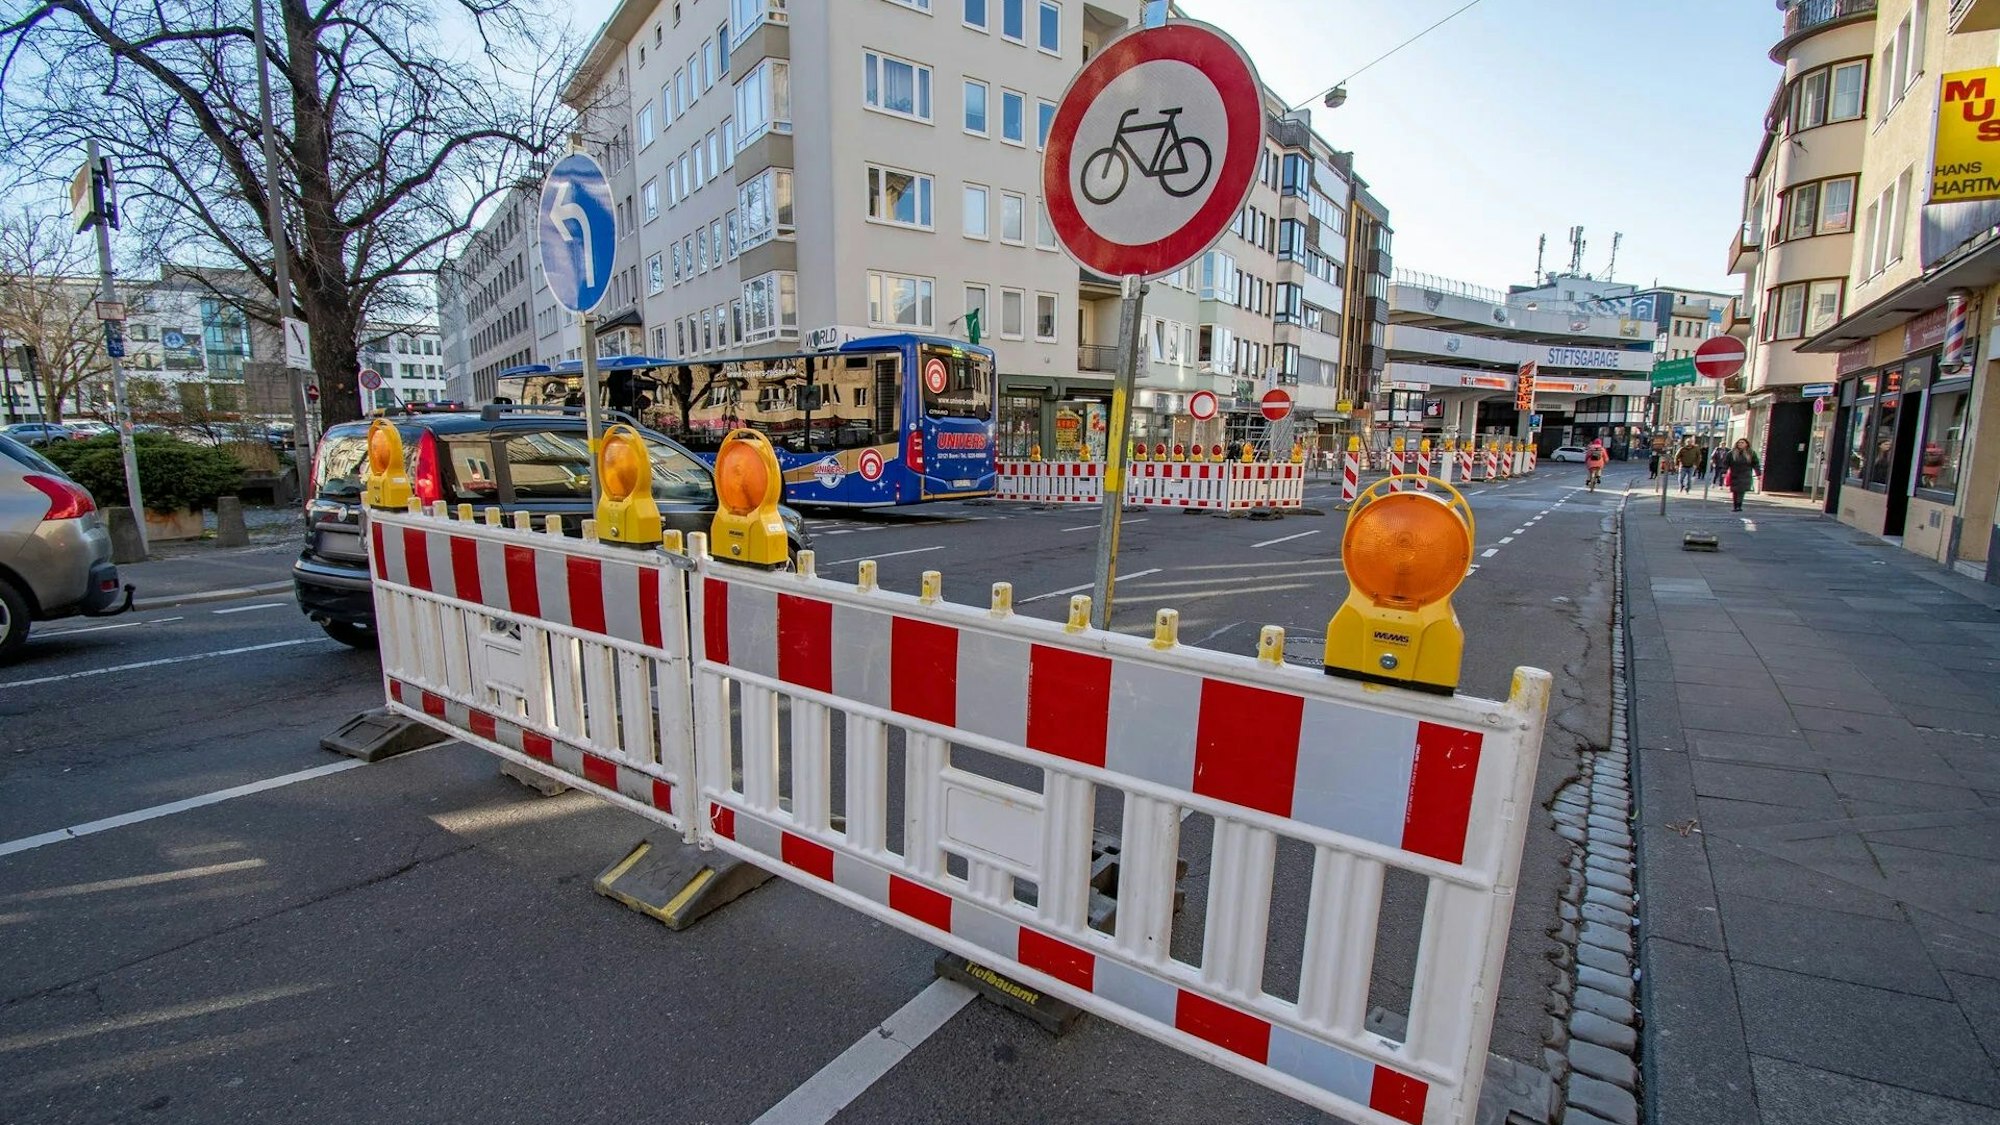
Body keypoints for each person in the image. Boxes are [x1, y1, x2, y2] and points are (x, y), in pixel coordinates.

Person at [1723, 438, 1760, 512]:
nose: (1740, 444)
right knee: (1735, 491)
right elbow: (1726, 463)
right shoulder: (1731, 453)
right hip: (1735, 474)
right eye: (1739, 443)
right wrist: (1724, 472)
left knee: (1741, 491)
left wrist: (1758, 473)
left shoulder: (1751, 453)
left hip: (1745, 474)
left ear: (1746, 444)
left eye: (1742, 442)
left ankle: (1739, 506)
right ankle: (1735, 506)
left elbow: (1756, 463)